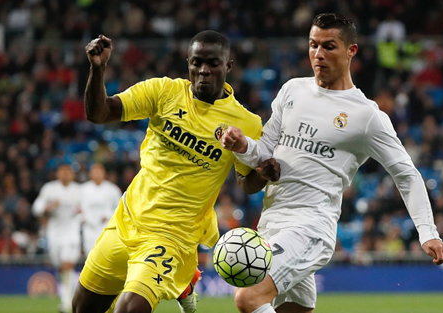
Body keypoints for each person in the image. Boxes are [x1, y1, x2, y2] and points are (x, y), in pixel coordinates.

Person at [221, 13, 443, 313]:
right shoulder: (292, 90)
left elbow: (406, 174)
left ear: (351, 50)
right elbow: (265, 153)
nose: (318, 54)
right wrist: (242, 146)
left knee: (248, 298)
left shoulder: (366, 116)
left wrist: (428, 231)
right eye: (313, 45)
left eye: (329, 46)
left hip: (310, 227)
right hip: (271, 221)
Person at [72, 30, 277, 313]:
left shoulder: (247, 123)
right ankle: (186, 283)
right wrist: (98, 69)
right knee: (82, 308)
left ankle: (184, 275)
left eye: (213, 63)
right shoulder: (163, 92)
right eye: (197, 63)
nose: (203, 71)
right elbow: (99, 113)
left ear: (228, 66)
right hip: (126, 221)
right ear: (188, 63)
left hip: (173, 237)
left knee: (129, 310)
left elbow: (246, 183)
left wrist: (263, 173)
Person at [32, 164, 82, 313]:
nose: (65, 174)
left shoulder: (78, 190)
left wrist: (81, 214)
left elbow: (85, 211)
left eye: (68, 172)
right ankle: (67, 297)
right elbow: (36, 208)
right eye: (62, 171)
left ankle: (67, 303)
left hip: (72, 233)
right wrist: (48, 207)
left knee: (68, 264)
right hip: (54, 234)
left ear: (72, 174)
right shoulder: (50, 189)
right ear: (58, 174)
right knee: (60, 267)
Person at [80, 163, 121, 255]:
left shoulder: (113, 189)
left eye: (99, 172)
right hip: (89, 227)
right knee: (90, 254)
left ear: (104, 174)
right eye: (95, 172)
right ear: (90, 174)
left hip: (106, 226)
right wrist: (82, 217)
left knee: (106, 254)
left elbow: (119, 208)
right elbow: (78, 207)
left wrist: (108, 215)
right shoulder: (83, 189)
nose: (97, 175)